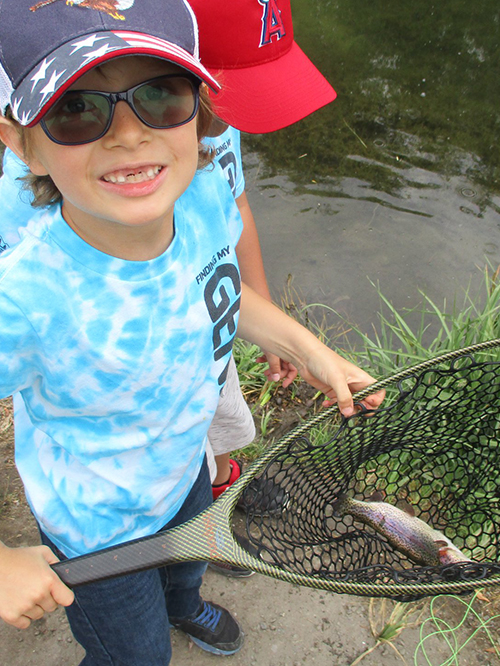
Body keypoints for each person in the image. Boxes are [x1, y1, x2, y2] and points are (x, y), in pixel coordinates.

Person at [0, 1, 384, 664]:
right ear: (22, 143)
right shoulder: (25, 296)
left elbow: (223, 284)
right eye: (76, 110)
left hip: (183, 469)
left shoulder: (203, 197)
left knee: (187, 565)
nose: (128, 136)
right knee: (136, 654)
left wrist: (309, 349)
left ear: (201, 111)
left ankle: (184, 602)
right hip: (96, 529)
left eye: (161, 97)